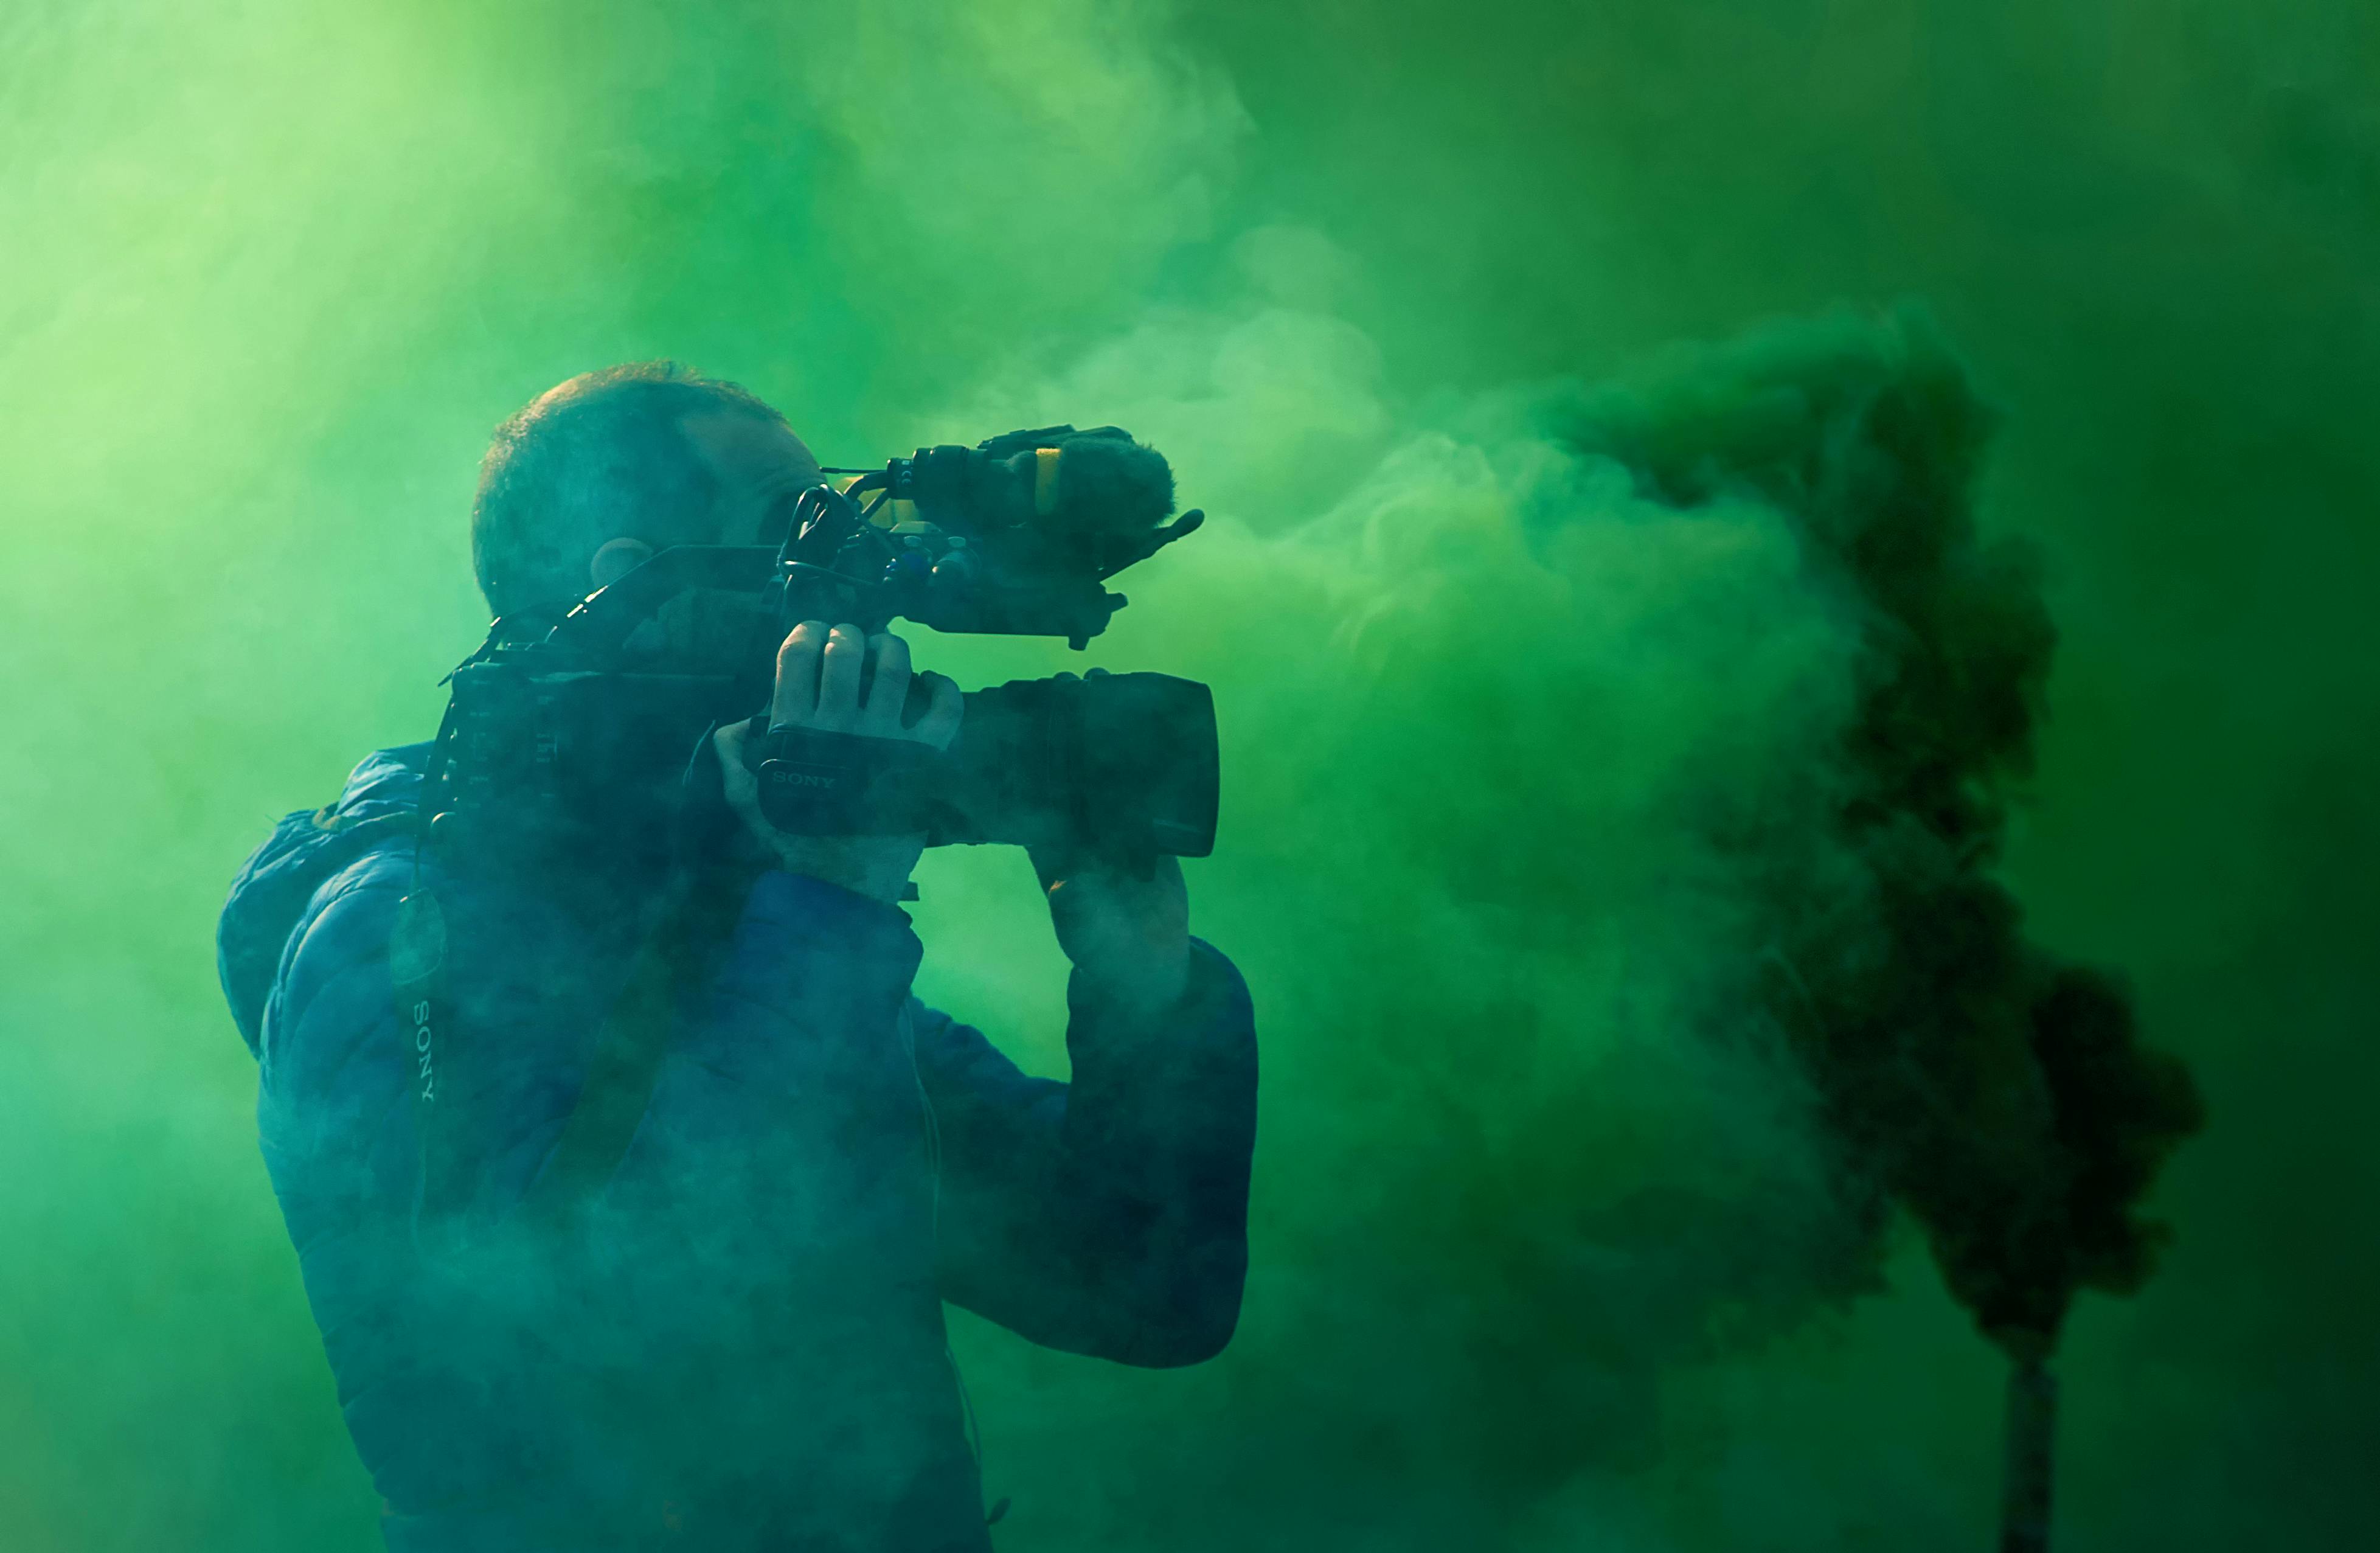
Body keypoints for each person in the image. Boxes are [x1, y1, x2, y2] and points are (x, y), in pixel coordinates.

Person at [215, 363, 1259, 1552]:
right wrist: (829, 901)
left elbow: (1138, 1282)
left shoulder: (736, 899)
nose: (848, 586)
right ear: (627, 579)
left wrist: (1142, 994)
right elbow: (552, 1341)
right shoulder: (395, 922)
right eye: (792, 526)